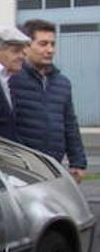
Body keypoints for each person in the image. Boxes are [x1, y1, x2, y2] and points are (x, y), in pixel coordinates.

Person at [10, 20, 87, 181]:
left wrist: (78, 162)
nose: (50, 50)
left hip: (53, 166)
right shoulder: (12, 78)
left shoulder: (62, 83)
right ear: (27, 46)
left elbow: (70, 123)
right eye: (43, 44)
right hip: (19, 167)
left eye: (53, 44)